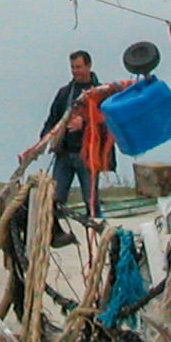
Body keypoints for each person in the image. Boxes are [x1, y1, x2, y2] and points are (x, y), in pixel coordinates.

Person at [36, 50, 115, 228]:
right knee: (55, 199)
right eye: (72, 67)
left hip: (88, 156)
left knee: (91, 201)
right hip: (64, 154)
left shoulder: (102, 93)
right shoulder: (64, 93)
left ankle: (99, 237)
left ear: (88, 66)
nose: (75, 71)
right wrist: (43, 141)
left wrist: (84, 123)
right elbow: (52, 120)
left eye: (78, 67)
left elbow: (109, 123)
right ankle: (55, 234)